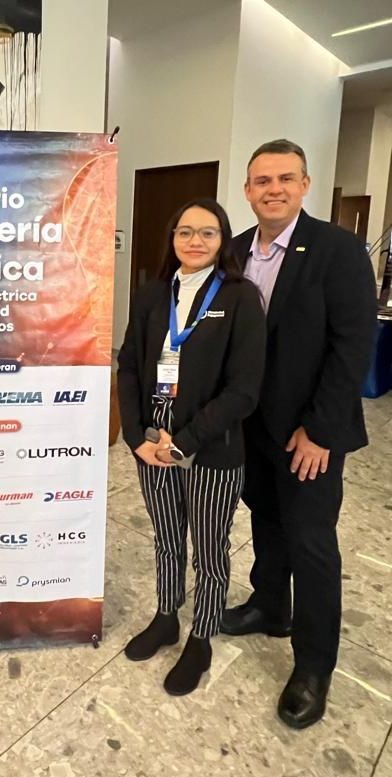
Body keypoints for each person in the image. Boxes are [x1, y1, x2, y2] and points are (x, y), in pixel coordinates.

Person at [221, 139, 377, 729]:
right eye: (262, 180)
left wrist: (321, 430)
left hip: (308, 432)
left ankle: (314, 663)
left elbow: (351, 347)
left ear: (305, 184)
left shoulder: (337, 249)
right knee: (264, 517)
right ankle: (268, 605)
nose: (274, 189)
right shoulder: (233, 252)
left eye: (286, 178)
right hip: (250, 426)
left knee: (312, 544)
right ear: (247, 190)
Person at [117, 198, 266, 695]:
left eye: (207, 233)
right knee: (164, 538)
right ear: (172, 238)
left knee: (208, 549)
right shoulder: (152, 295)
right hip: (150, 448)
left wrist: (181, 444)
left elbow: (244, 390)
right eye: (185, 232)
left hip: (210, 450)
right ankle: (166, 617)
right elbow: (131, 367)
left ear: (223, 240)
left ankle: (200, 636)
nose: (195, 241)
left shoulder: (242, 298)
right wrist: (137, 436)